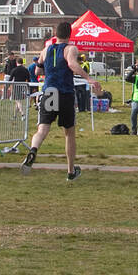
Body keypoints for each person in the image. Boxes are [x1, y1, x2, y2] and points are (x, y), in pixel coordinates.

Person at [21, 22, 102, 181]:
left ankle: (33, 149)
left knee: (42, 129)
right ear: (69, 35)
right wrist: (89, 78)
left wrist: (48, 69)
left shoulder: (46, 49)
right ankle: (71, 171)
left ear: (55, 34)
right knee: (69, 133)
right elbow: (72, 64)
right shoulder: (70, 48)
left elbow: (37, 70)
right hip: (64, 92)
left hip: (49, 91)